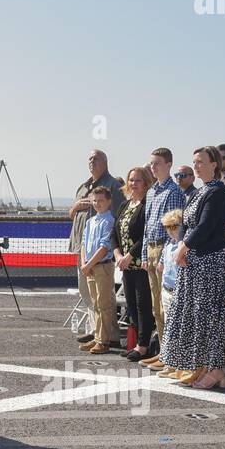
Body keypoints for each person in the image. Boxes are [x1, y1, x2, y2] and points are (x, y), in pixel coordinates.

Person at [156, 146, 225, 388]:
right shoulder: (200, 192)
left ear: (214, 165)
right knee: (191, 314)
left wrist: (183, 246)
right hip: (194, 262)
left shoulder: (218, 192)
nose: (196, 166)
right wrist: (183, 247)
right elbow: (187, 224)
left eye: (201, 162)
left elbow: (206, 225)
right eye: (195, 162)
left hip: (209, 261)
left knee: (208, 315)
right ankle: (193, 366)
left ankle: (214, 368)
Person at [68, 150, 124, 343]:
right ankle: (96, 330)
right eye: (90, 158)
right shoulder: (83, 186)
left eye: (96, 158)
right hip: (83, 248)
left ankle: (107, 335)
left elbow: (119, 215)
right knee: (87, 292)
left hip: (102, 253)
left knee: (104, 297)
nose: (92, 161)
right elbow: (71, 214)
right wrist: (75, 207)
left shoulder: (113, 186)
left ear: (106, 162)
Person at [143, 148, 186, 346]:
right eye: (151, 163)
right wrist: (144, 254)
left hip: (164, 249)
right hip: (151, 248)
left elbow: (174, 228)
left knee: (165, 305)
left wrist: (162, 259)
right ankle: (163, 349)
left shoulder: (174, 192)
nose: (153, 167)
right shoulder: (151, 191)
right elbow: (147, 224)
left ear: (169, 164)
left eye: (157, 163)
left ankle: (169, 352)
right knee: (155, 305)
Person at [114, 166, 156, 362]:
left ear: (146, 182)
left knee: (143, 305)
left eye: (138, 180)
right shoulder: (124, 205)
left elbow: (145, 235)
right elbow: (114, 233)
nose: (133, 183)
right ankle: (136, 343)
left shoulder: (148, 204)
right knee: (130, 304)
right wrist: (117, 254)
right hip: (124, 264)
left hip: (140, 263)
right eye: (131, 180)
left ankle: (143, 345)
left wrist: (130, 255)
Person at [141, 210, 184, 371]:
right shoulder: (169, 244)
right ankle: (167, 357)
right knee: (166, 323)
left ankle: (175, 362)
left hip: (178, 291)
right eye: (167, 227)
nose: (171, 230)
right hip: (166, 288)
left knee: (176, 326)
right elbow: (162, 267)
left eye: (174, 226)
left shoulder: (183, 245)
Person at [79, 186, 119, 354]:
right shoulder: (90, 221)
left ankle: (104, 340)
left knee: (104, 304)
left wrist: (89, 264)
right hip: (90, 265)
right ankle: (98, 337)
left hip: (102, 265)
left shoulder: (109, 221)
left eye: (101, 200)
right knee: (96, 303)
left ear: (109, 201)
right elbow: (83, 242)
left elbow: (104, 246)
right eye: (94, 200)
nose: (97, 203)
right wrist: (84, 263)